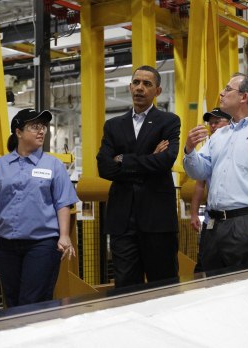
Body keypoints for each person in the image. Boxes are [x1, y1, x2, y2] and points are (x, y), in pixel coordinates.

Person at [0, 108, 79, 307]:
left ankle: (38, 338)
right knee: (12, 302)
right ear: (19, 132)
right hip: (7, 246)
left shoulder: (53, 166)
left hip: (42, 245)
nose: (41, 131)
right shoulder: (0, 166)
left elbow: (63, 203)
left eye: (43, 127)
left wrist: (64, 235)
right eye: (34, 127)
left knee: (32, 302)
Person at [183, 72, 248, 272]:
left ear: (244, 97)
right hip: (213, 225)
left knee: (244, 291)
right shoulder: (219, 135)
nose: (221, 93)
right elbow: (198, 172)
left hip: (245, 225)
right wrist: (189, 150)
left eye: (228, 89)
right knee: (209, 286)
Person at [96, 65, 181, 289]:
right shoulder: (113, 125)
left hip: (157, 221)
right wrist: (148, 159)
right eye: (136, 83)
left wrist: (123, 160)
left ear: (158, 91)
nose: (140, 88)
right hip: (122, 222)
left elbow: (165, 161)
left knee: (164, 286)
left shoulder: (169, 122)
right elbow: (104, 168)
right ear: (129, 86)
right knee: (125, 288)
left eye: (147, 84)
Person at [190, 108, 231, 273]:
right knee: (205, 264)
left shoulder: (236, 144)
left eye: (217, 122)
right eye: (211, 123)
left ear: (229, 122)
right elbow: (199, 184)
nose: (213, 126)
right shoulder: (207, 148)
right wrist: (194, 214)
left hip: (236, 219)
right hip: (211, 219)